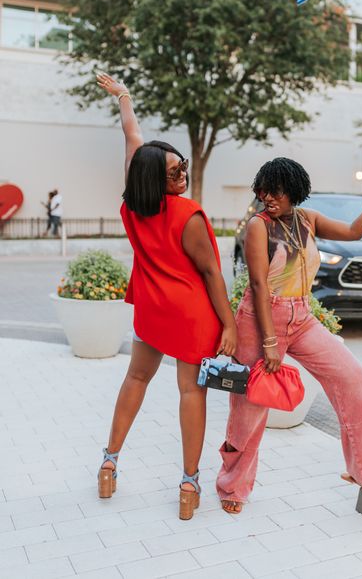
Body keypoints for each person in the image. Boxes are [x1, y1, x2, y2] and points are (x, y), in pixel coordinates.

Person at [216, 156, 362, 514]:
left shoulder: (308, 220)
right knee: (249, 411)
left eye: (278, 191)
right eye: (264, 190)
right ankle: (232, 487)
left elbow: (353, 232)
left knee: (352, 379)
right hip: (259, 319)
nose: (269, 197)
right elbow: (256, 283)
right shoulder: (259, 225)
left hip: (301, 315)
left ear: (295, 192)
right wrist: (270, 342)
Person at [96, 72, 237, 520]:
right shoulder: (188, 214)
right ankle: (189, 485)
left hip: (153, 311)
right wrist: (230, 325)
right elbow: (213, 273)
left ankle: (109, 462)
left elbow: (132, 139)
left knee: (136, 380)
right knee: (190, 393)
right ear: (156, 177)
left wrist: (124, 98)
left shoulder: (133, 206)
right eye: (175, 171)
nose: (183, 175)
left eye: (184, 168)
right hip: (191, 315)